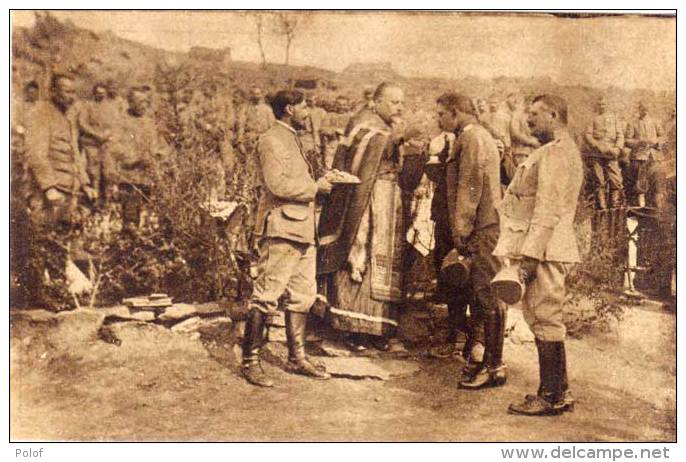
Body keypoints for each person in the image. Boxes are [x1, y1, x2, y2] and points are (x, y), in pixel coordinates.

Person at [317, 82, 426, 352]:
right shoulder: (364, 122)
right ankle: (351, 328)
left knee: (387, 260)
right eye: (394, 102)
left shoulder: (387, 127)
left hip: (389, 199)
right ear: (376, 102)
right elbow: (364, 147)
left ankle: (378, 328)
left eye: (402, 103)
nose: (399, 107)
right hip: (364, 203)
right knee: (360, 257)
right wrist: (396, 138)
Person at [494, 94, 582, 416]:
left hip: (545, 249)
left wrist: (530, 257)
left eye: (534, 115)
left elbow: (547, 209)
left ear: (553, 114)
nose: (528, 120)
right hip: (546, 246)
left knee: (544, 317)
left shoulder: (556, 153)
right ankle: (561, 391)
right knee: (545, 317)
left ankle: (549, 396)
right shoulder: (553, 151)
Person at [241, 89, 333, 387]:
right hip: (281, 228)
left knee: (303, 296)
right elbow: (276, 184)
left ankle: (297, 358)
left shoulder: (293, 138)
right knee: (267, 295)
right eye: (305, 108)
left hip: (304, 230)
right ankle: (250, 361)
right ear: (290, 109)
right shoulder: (271, 140)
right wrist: (315, 188)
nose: (309, 113)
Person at [426, 93, 504, 386]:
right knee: (482, 294)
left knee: (486, 296)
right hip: (483, 225)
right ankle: (487, 363)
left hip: (481, 228)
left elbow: (470, 186)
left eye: (441, 114)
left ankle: (492, 367)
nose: (439, 120)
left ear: (456, 112)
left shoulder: (472, 138)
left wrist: (461, 231)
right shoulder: (477, 136)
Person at [24, 73, 94, 225]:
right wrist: (48, 188)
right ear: (53, 91)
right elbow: (36, 155)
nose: (72, 97)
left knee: (63, 241)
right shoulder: (40, 113)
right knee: (43, 239)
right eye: (67, 91)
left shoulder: (68, 117)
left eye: (73, 92)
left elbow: (75, 153)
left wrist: (85, 183)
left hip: (68, 192)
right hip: (48, 195)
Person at [108, 85, 168, 231]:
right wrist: (135, 159)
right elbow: (114, 147)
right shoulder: (121, 121)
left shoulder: (149, 122)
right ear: (130, 102)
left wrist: (160, 154)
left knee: (150, 216)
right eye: (139, 101)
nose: (143, 105)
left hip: (149, 176)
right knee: (130, 218)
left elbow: (161, 145)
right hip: (130, 176)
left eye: (145, 102)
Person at [75, 83, 117, 204]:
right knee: (93, 172)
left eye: (102, 94)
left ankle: (107, 201)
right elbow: (82, 123)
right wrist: (95, 134)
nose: (100, 96)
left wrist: (107, 135)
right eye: (98, 93)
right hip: (91, 144)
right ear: (94, 94)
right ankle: (94, 199)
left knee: (107, 171)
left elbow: (115, 124)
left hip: (105, 144)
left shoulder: (110, 108)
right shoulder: (87, 106)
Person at [583, 96, 625, 209]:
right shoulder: (592, 119)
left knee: (616, 179)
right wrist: (597, 145)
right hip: (596, 153)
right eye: (599, 104)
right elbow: (587, 135)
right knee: (599, 180)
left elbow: (620, 135)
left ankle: (614, 206)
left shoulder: (615, 119)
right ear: (596, 106)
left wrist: (617, 148)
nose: (602, 106)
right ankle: (602, 207)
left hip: (612, 153)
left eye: (604, 104)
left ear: (607, 105)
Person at [624, 101, 665, 209]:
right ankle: (637, 208)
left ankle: (654, 207)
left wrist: (656, 142)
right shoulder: (633, 123)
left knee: (655, 183)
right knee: (637, 184)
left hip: (653, 157)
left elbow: (662, 137)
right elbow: (627, 140)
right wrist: (639, 142)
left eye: (646, 108)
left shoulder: (655, 122)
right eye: (642, 108)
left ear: (649, 109)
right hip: (638, 157)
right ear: (639, 109)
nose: (644, 111)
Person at [481, 94, 513, 185]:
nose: (493, 105)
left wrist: (507, 145)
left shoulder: (505, 117)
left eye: (495, 103)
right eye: (491, 103)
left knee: (505, 169)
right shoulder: (483, 117)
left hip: (503, 145)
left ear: (499, 104)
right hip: (488, 145)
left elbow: (508, 132)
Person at [508, 93, 540, 178]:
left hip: (534, 151)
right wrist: (530, 142)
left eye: (532, 103)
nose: (530, 105)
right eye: (528, 102)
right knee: (522, 177)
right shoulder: (517, 115)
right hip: (521, 151)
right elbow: (515, 133)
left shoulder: (533, 117)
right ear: (525, 102)